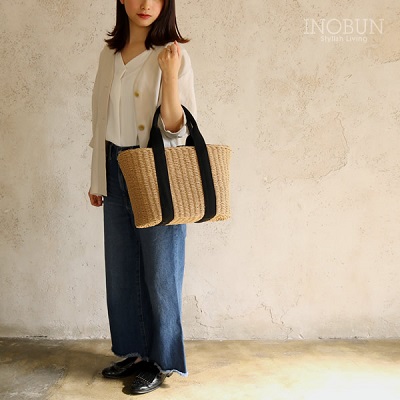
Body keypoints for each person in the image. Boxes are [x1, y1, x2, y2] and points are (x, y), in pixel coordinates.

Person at [88, 0, 196, 395]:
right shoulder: (110, 54)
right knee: (121, 269)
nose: (146, 4)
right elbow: (100, 120)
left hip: (155, 171)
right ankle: (135, 353)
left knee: (161, 273)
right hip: (114, 167)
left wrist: (169, 76)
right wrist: (98, 177)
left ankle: (161, 362)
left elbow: (177, 129)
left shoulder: (172, 55)